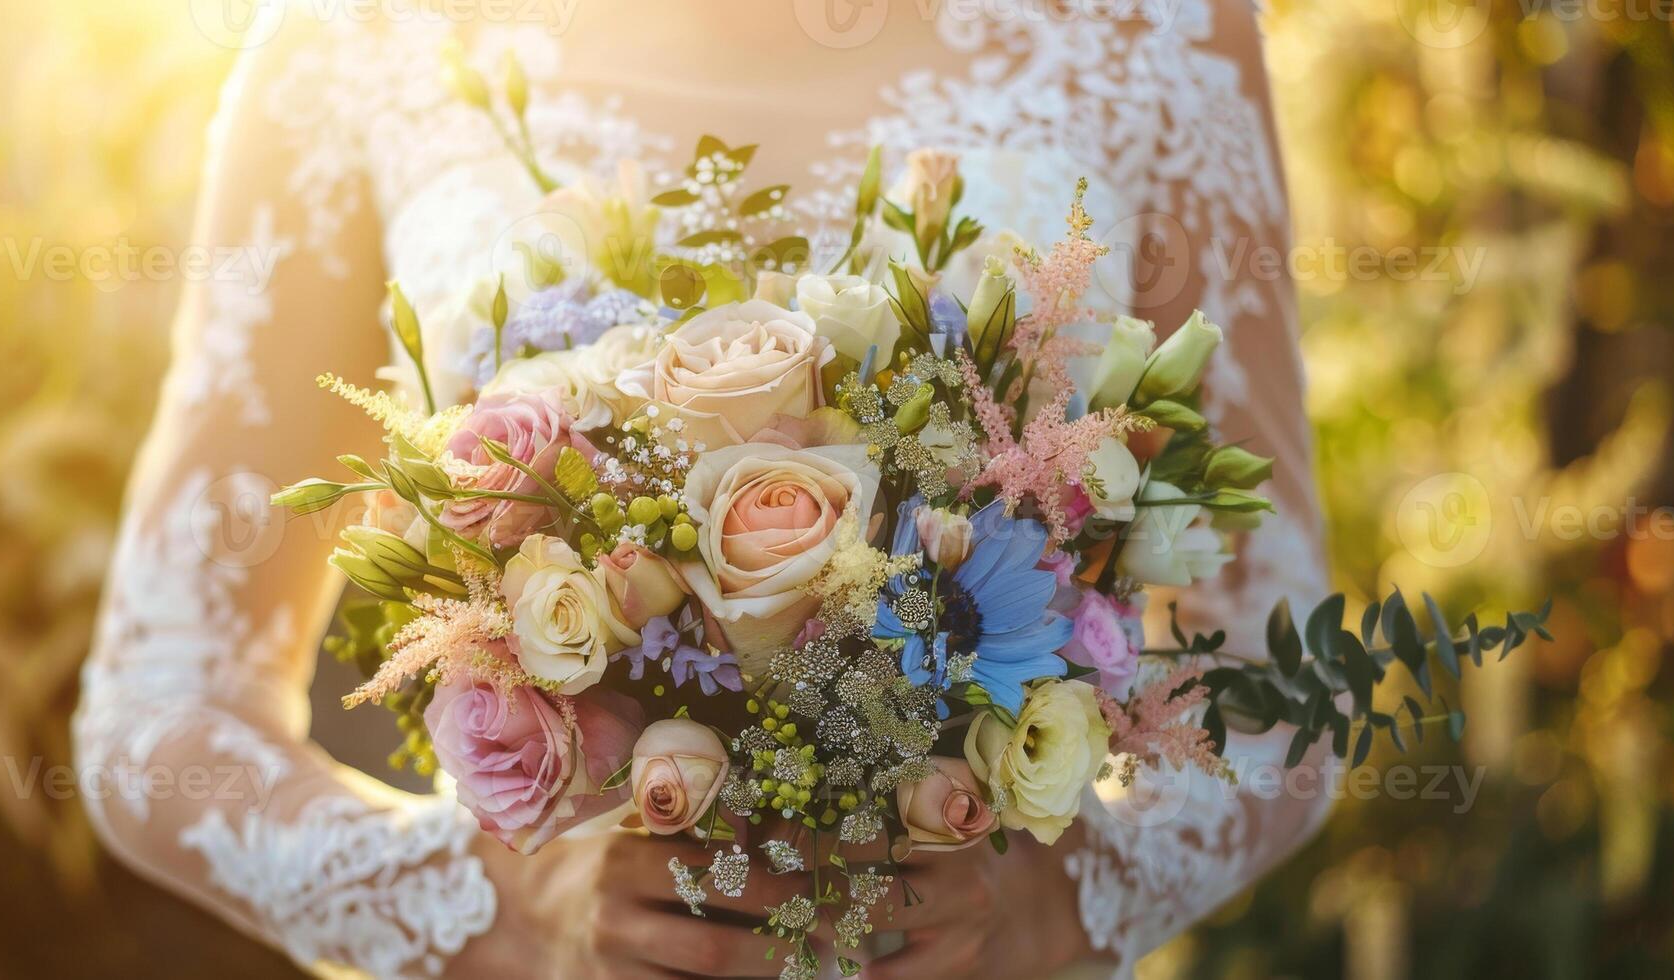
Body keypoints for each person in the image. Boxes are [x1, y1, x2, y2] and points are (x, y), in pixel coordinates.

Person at [75, 2, 1334, 976]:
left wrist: (1050, 903)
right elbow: (158, 704)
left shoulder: (1156, 34)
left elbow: (1282, 677)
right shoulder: (361, 39)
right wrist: (491, 908)